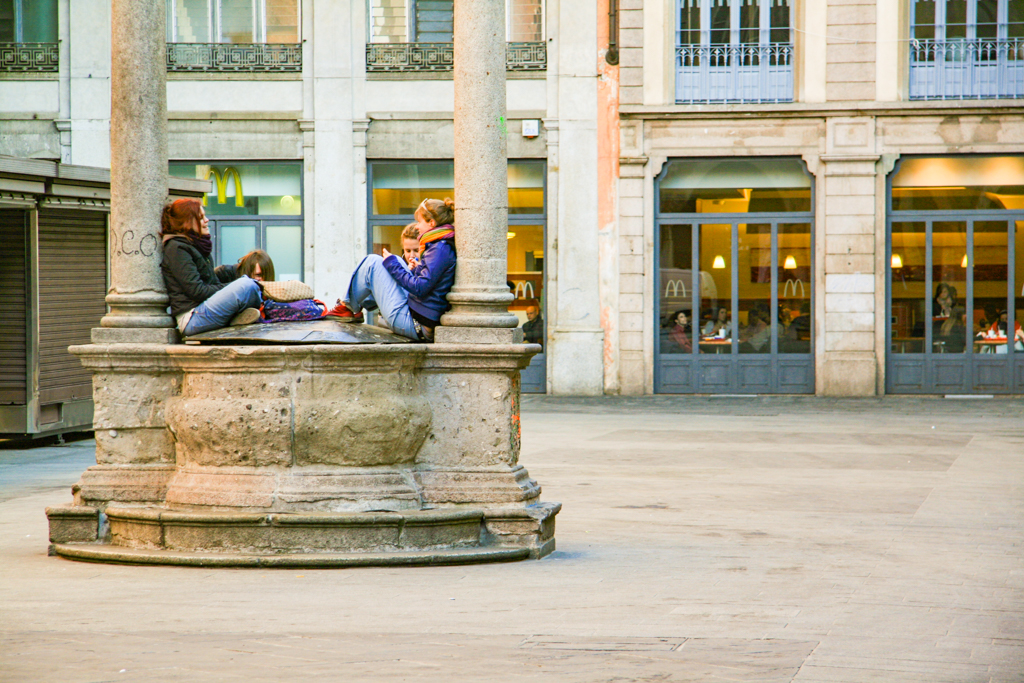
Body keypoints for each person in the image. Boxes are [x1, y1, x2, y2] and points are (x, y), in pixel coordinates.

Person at [326, 197, 457, 342]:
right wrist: (412, 270)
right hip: (417, 315)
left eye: (420, 222)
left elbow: (420, 288)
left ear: (431, 223)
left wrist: (392, 264)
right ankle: (352, 307)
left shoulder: (439, 249)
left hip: (416, 324)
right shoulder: (440, 245)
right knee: (398, 261)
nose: (417, 227)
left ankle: (347, 307)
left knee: (373, 263)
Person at [160, 198, 263, 336]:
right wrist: (234, 285)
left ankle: (236, 316)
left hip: (203, 310)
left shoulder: (195, 246)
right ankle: (235, 316)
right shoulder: (176, 248)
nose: (207, 220)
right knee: (247, 285)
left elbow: (211, 281)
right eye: (201, 218)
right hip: (192, 318)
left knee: (249, 285)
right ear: (186, 222)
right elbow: (197, 291)